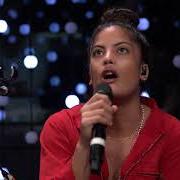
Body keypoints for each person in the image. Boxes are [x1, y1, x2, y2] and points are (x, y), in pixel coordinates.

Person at [39, 7, 180, 180]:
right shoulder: (60, 127)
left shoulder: (172, 132)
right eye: (98, 52)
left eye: (121, 50)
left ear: (143, 71)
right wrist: (84, 146)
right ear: (91, 75)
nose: (107, 58)